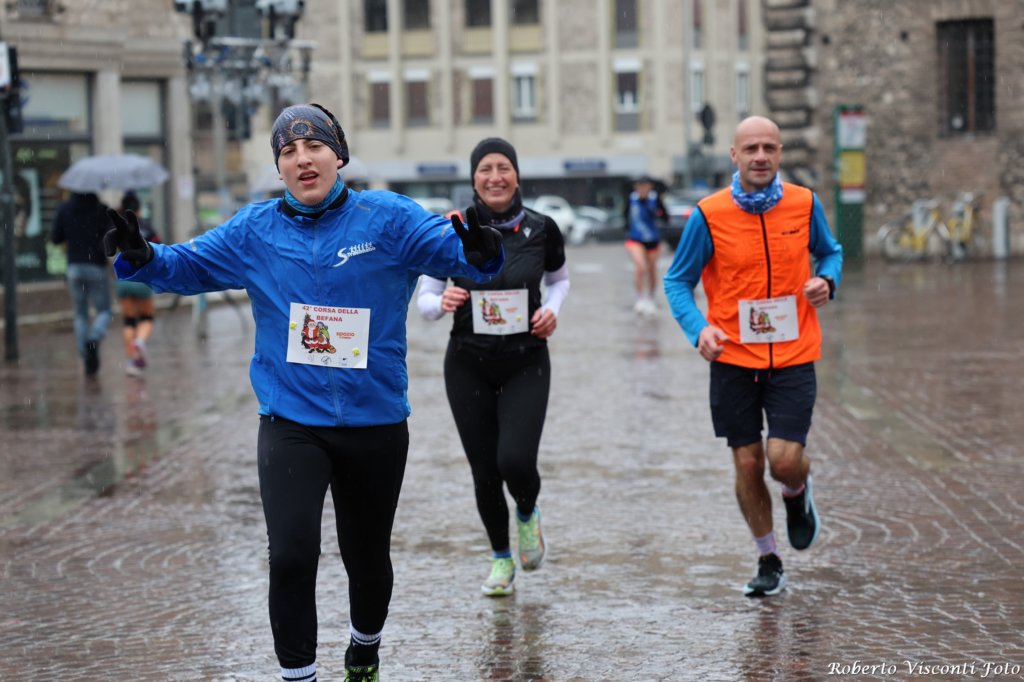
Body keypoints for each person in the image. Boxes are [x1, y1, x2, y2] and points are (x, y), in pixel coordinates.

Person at [102, 103, 504, 682]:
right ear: (279, 168)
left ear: (338, 155)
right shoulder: (254, 230)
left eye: (314, 146)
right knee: (291, 554)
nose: (302, 159)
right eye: (288, 152)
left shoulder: (387, 218)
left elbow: (451, 248)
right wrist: (144, 257)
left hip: (374, 420)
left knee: (367, 558)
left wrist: (479, 253)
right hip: (290, 420)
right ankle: (300, 675)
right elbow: (188, 265)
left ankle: (364, 647)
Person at [663, 115, 843, 598]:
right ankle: (768, 558)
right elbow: (677, 281)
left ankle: (796, 492)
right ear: (734, 156)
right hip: (733, 358)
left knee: (783, 460)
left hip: (793, 353)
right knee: (747, 464)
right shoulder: (708, 214)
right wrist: (698, 330)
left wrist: (827, 280)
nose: (760, 156)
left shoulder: (804, 203)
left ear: (779, 153)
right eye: (751, 149)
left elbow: (831, 252)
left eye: (769, 148)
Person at [417, 137, 569, 597]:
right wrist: (441, 301)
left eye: (504, 167)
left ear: (517, 176)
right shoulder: (452, 230)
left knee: (515, 460)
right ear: (473, 179)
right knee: (484, 470)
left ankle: (526, 511)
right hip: (467, 362)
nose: (495, 177)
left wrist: (552, 311)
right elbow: (425, 299)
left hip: (526, 360)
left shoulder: (542, 228)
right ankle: (501, 558)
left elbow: (558, 280)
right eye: (486, 169)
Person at [51, 191, 114, 376]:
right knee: (104, 311)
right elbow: (111, 238)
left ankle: (86, 356)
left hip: (74, 268)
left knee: (80, 314)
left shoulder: (65, 209)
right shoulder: (101, 210)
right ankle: (93, 339)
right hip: (96, 267)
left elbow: (56, 238)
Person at [115, 191, 160, 377]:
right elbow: (160, 250)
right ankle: (140, 342)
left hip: (123, 279)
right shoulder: (147, 227)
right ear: (139, 209)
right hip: (142, 278)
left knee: (129, 321)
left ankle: (132, 362)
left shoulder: (118, 228)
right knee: (147, 318)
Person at [624, 175, 668, 316]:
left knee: (652, 270)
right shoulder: (631, 199)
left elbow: (665, 217)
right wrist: (628, 229)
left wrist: (656, 212)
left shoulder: (655, 199)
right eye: (639, 185)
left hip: (653, 240)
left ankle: (651, 297)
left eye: (644, 185)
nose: (642, 188)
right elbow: (625, 216)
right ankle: (640, 299)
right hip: (636, 239)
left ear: (650, 187)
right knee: (641, 267)